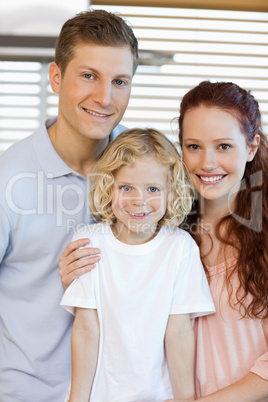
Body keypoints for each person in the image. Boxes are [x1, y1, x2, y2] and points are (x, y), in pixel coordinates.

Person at [0, 9, 138, 402]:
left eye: (120, 81)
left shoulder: (146, 168)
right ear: (56, 78)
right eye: (89, 76)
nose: (105, 98)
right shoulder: (8, 180)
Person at [60, 128, 215, 401]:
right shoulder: (89, 241)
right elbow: (86, 329)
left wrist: (187, 399)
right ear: (109, 187)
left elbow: (178, 331)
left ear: (172, 192)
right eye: (126, 187)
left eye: (153, 189)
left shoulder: (180, 248)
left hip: (160, 395)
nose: (138, 200)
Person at [165, 81, 268, 401]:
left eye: (223, 146)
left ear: (251, 146)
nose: (207, 163)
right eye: (194, 146)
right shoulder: (164, 234)